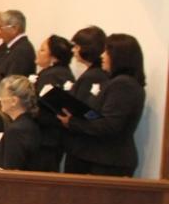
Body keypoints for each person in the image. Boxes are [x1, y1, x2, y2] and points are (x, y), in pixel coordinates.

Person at [59, 34, 146, 177]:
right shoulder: (118, 82)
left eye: (107, 52)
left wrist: (73, 122)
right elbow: (98, 116)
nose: (102, 56)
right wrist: (78, 112)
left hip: (108, 161)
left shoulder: (123, 84)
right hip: (101, 158)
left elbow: (109, 125)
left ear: (119, 57)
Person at [33, 35, 74, 172]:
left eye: (43, 50)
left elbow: (45, 108)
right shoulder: (61, 73)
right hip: (53, 138)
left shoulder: (52, 76)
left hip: (46, 139)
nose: (38, 52)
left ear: (54, 58)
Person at [0, 75, 41, 170]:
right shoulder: (27, 124)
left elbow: (12, 169)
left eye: (2, 95)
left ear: (14, 101)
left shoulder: (17, 130)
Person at [0, 10, 36, 77]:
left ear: (14, 29)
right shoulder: (15, 47)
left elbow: (13, 80)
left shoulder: (22, 51)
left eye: (1, 28)